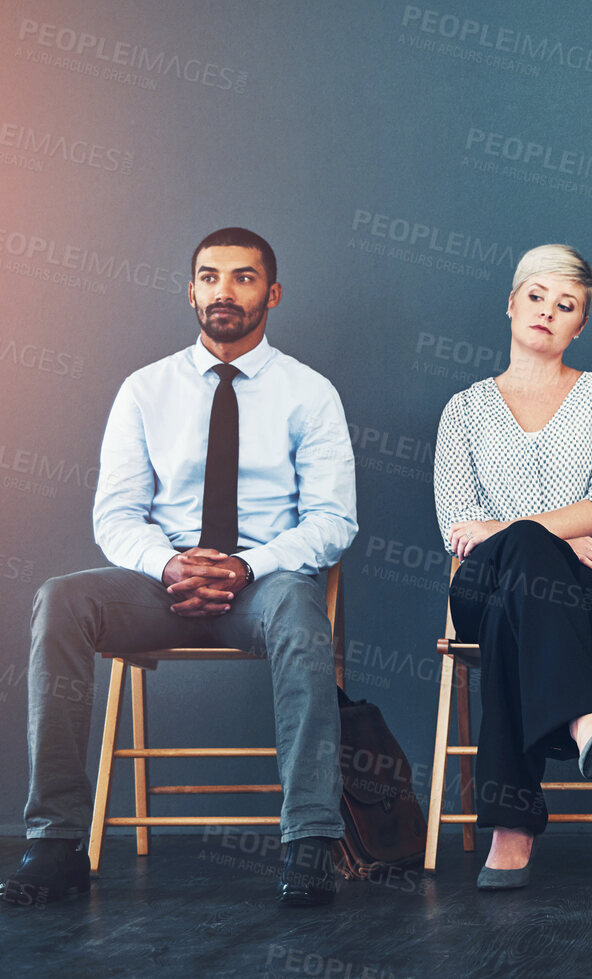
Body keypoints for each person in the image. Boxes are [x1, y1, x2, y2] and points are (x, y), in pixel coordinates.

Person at [5, 228, 357, 908]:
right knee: (61, 598)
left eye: (244, 277)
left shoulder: (310, 394)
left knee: (300, 604)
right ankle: (55, 842)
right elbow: (116, 515)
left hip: (264, 591)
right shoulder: (145, 389)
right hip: (157, 590)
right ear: (190, 290)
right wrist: (169, 565)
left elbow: (331, 520)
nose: (224, 290)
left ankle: (308, 842)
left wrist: (245, 566)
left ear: (272, 293)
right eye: (209, 276)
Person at [432, 244, 592, 891]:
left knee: (511, 606)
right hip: (483, 579)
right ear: (511, 302)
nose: (548, 311)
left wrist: (524, 534)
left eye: (567, 305)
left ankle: (511, 827)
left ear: (579, 325)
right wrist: (550, 534)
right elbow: (458, 527)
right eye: (536, 296)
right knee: (519, 566)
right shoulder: (463, 410)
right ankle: (585, 722)